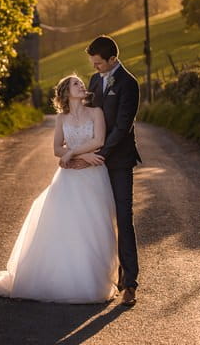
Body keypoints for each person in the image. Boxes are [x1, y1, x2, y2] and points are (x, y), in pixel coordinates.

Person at [0, 75, 119, 304]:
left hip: (93, 175)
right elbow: (56, 148)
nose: (82, 85)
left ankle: (93, 278)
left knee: (93, 224)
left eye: (81, 83)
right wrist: (75, 154)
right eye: (76, 84)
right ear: (66, 93)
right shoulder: (61, 118)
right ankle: (64, 278)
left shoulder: (95, 112)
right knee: (66, 225)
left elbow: (99, 139)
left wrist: (72, 153)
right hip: (69, 176)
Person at [66, 35, 142, 307]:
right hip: (93, 162)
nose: (95, 68)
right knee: (94, 219)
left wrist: (97, 155)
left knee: (123, 218)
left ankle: (130, 282)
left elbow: (122, 128)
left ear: (112, 59)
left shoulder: (129, 84)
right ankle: (97, 277)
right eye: (93, 64)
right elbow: (86, 117)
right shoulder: (96, 80)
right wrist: (76, 145)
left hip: (118, 162)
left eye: (99, 63)